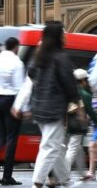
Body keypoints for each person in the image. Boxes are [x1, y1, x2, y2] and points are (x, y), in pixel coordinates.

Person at [28, 21, 80, 188]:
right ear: (57, 37)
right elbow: (69, 83)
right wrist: (76, 101)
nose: (65, 36)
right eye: (63, 34)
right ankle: (37, 183)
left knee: (55, 144)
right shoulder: (60, 57)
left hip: (39, 106)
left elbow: (31, 74)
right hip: (54, 108)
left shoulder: (39, 56)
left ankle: (64, 179)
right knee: (50, 146)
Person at [64, 69, 97, 179]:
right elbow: (91, 112)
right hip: (76, 125)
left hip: (65, 124)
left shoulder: (68, 91)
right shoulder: (84, 94)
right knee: (73, 149)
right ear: (83, 80)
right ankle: (64, 174)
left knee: (77, 149)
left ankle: (82, 173)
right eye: (86, 80)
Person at [0, 37, 25, 185]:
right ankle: (6, 176)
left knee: (1, 138)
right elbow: (20, 88)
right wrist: (22, 108)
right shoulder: (17, 62)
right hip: (10, 100)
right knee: (11, 138)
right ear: (16, 47)